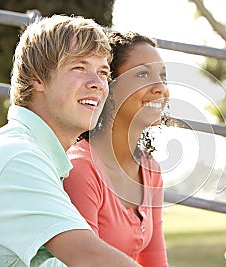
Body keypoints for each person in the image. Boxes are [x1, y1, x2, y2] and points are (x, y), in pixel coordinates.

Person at [0, 15, 140, 267]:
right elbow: (90, 259)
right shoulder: (20, 159)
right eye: (79, 68)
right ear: (37, 77)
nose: (98, 84)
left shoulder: (26, 151)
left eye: (103, 72)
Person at [63, 31, 169, 266]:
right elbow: (82, 261)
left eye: (162, 77)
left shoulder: (150, 171)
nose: (160, 87)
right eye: (143, 74)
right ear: (109, 86)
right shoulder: (81, 169)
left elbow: (154, 260)